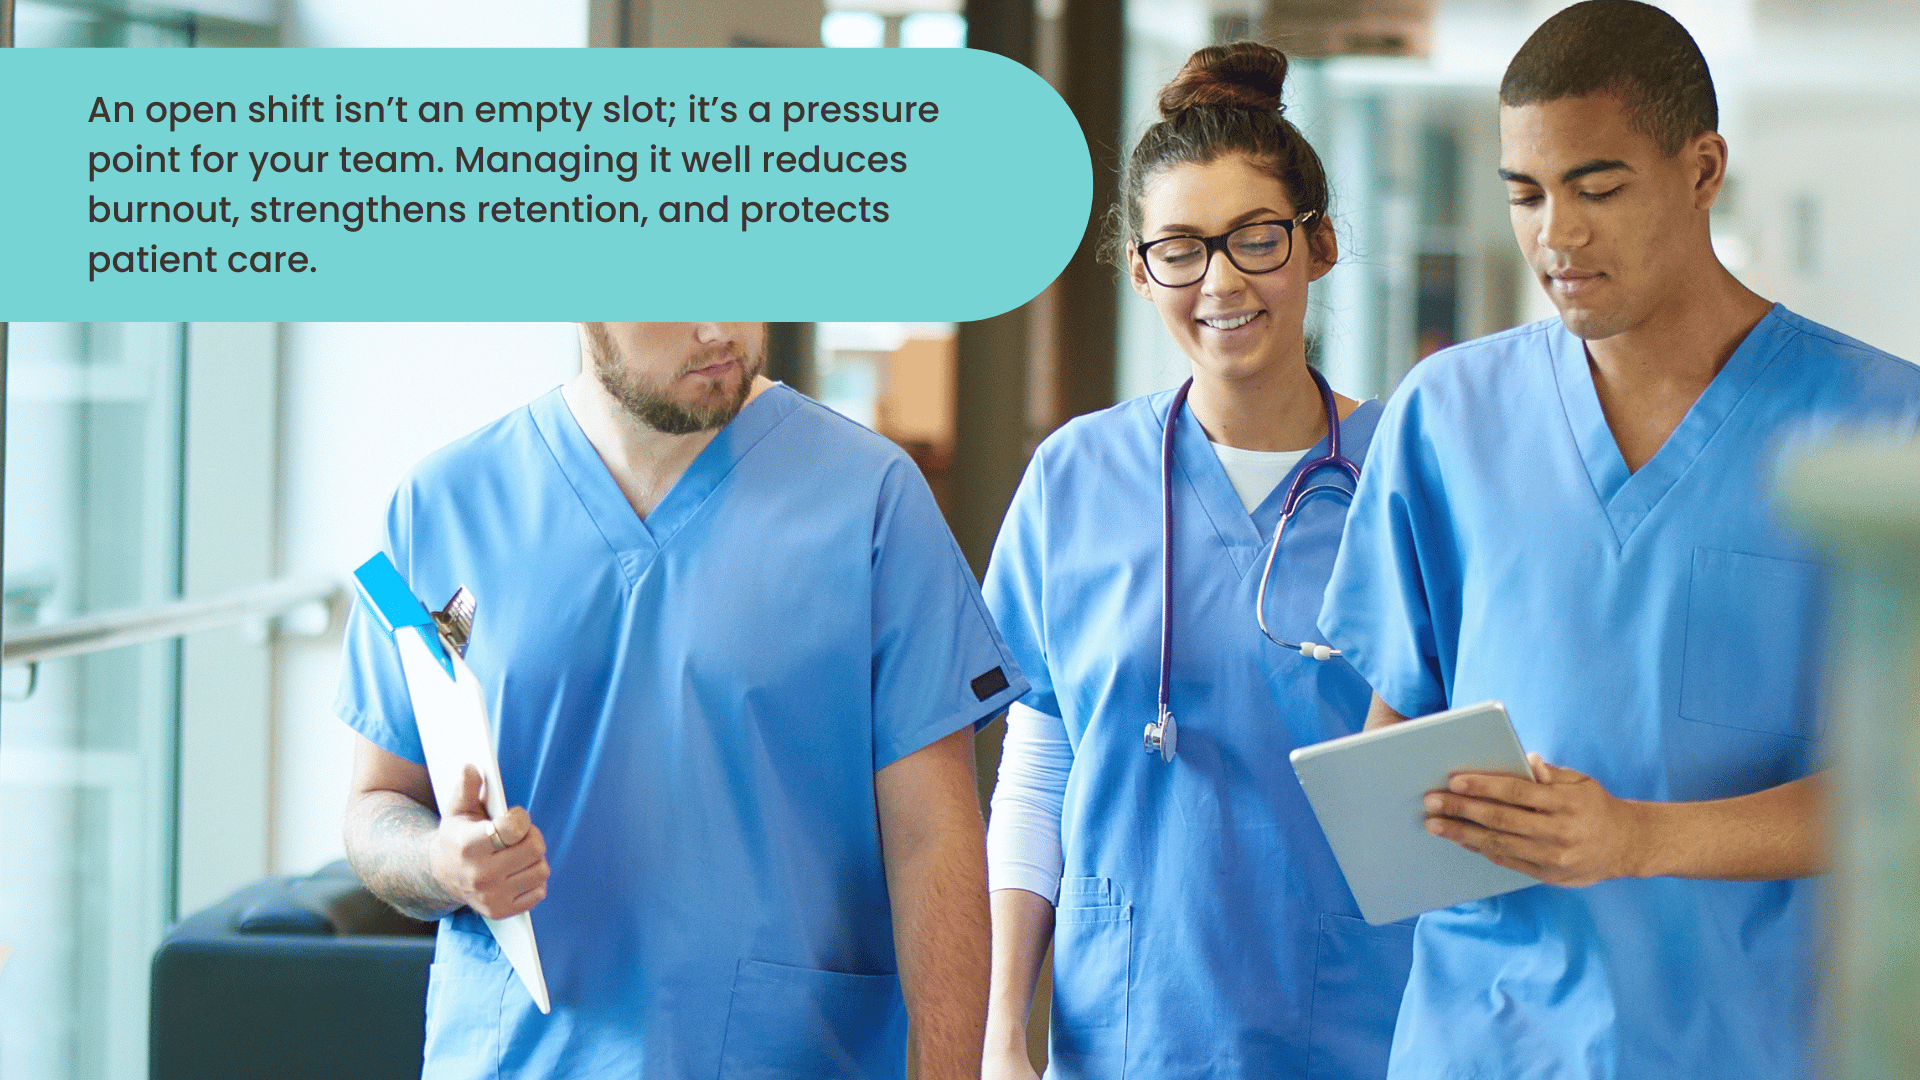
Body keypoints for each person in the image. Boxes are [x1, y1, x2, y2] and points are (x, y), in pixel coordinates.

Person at [1317, 3, 1920, 1078]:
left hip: (1752, 1042)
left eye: (1597, 187)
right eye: (1526, 194)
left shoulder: (1880, 429)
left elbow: (1902, 796)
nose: (1558, 233)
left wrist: (1638, 839)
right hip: (1482, 1040)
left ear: (1701, 170)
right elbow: (1398, 731)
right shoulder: (1447, 413)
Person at [336, 321, 1026, 1080]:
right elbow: (378, 806)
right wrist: (440, 863)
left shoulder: (871, 500)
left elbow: (935, 838)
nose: (720, 327)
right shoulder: (443, 505)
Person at [980, 42, 1413, 1080]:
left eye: (1256, 238)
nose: (1221, 280)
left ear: (1319, 246)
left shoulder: (1409, 478)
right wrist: (1003, 1032)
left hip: (1366, 1033)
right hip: (1129, 1033)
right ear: (1141, 270)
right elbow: (1038, 769)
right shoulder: (1075, 478)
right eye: (1180, 248)